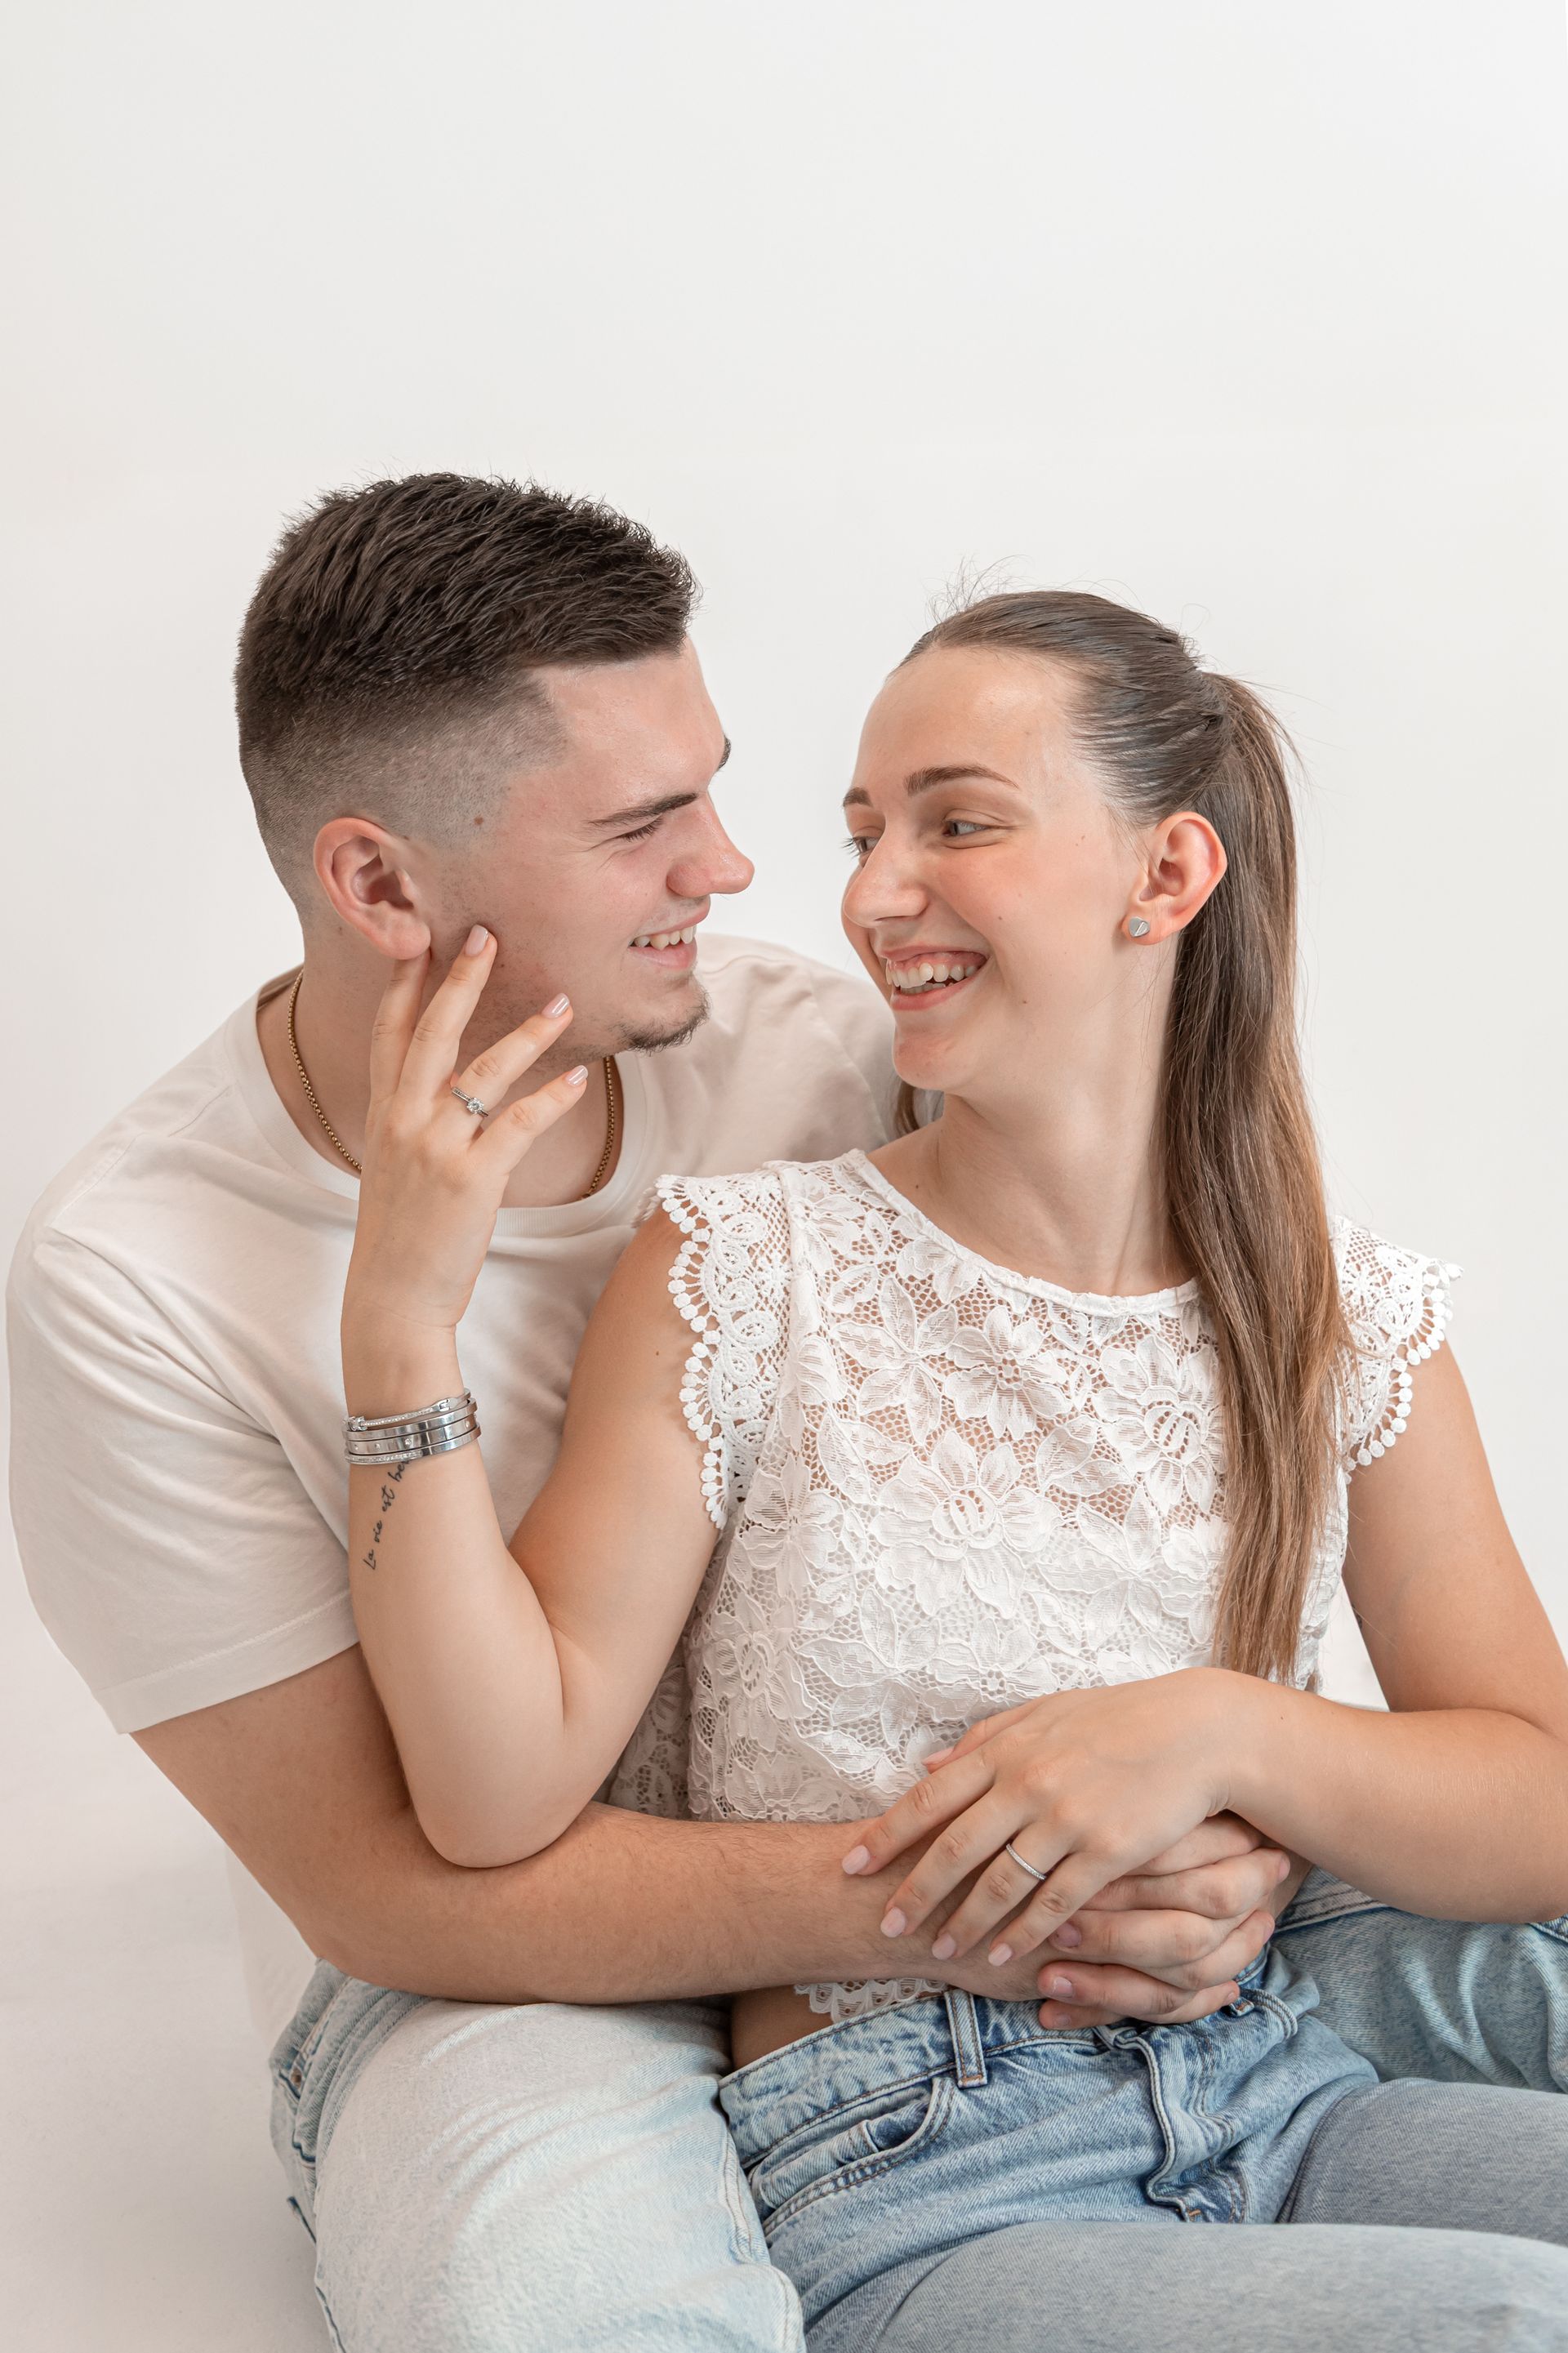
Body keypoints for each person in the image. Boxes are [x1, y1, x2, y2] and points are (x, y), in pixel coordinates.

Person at [5, 476, 1563, 2352]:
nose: (754, 874)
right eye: (645, 824)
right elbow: (410, 1876)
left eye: (734, 796)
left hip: (1201, 2016)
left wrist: (1232, 1766)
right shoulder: (137, 1277)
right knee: (568, 2294)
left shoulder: (830, 1051)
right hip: (543, 1968)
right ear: (383, 886)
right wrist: (399, 1326)